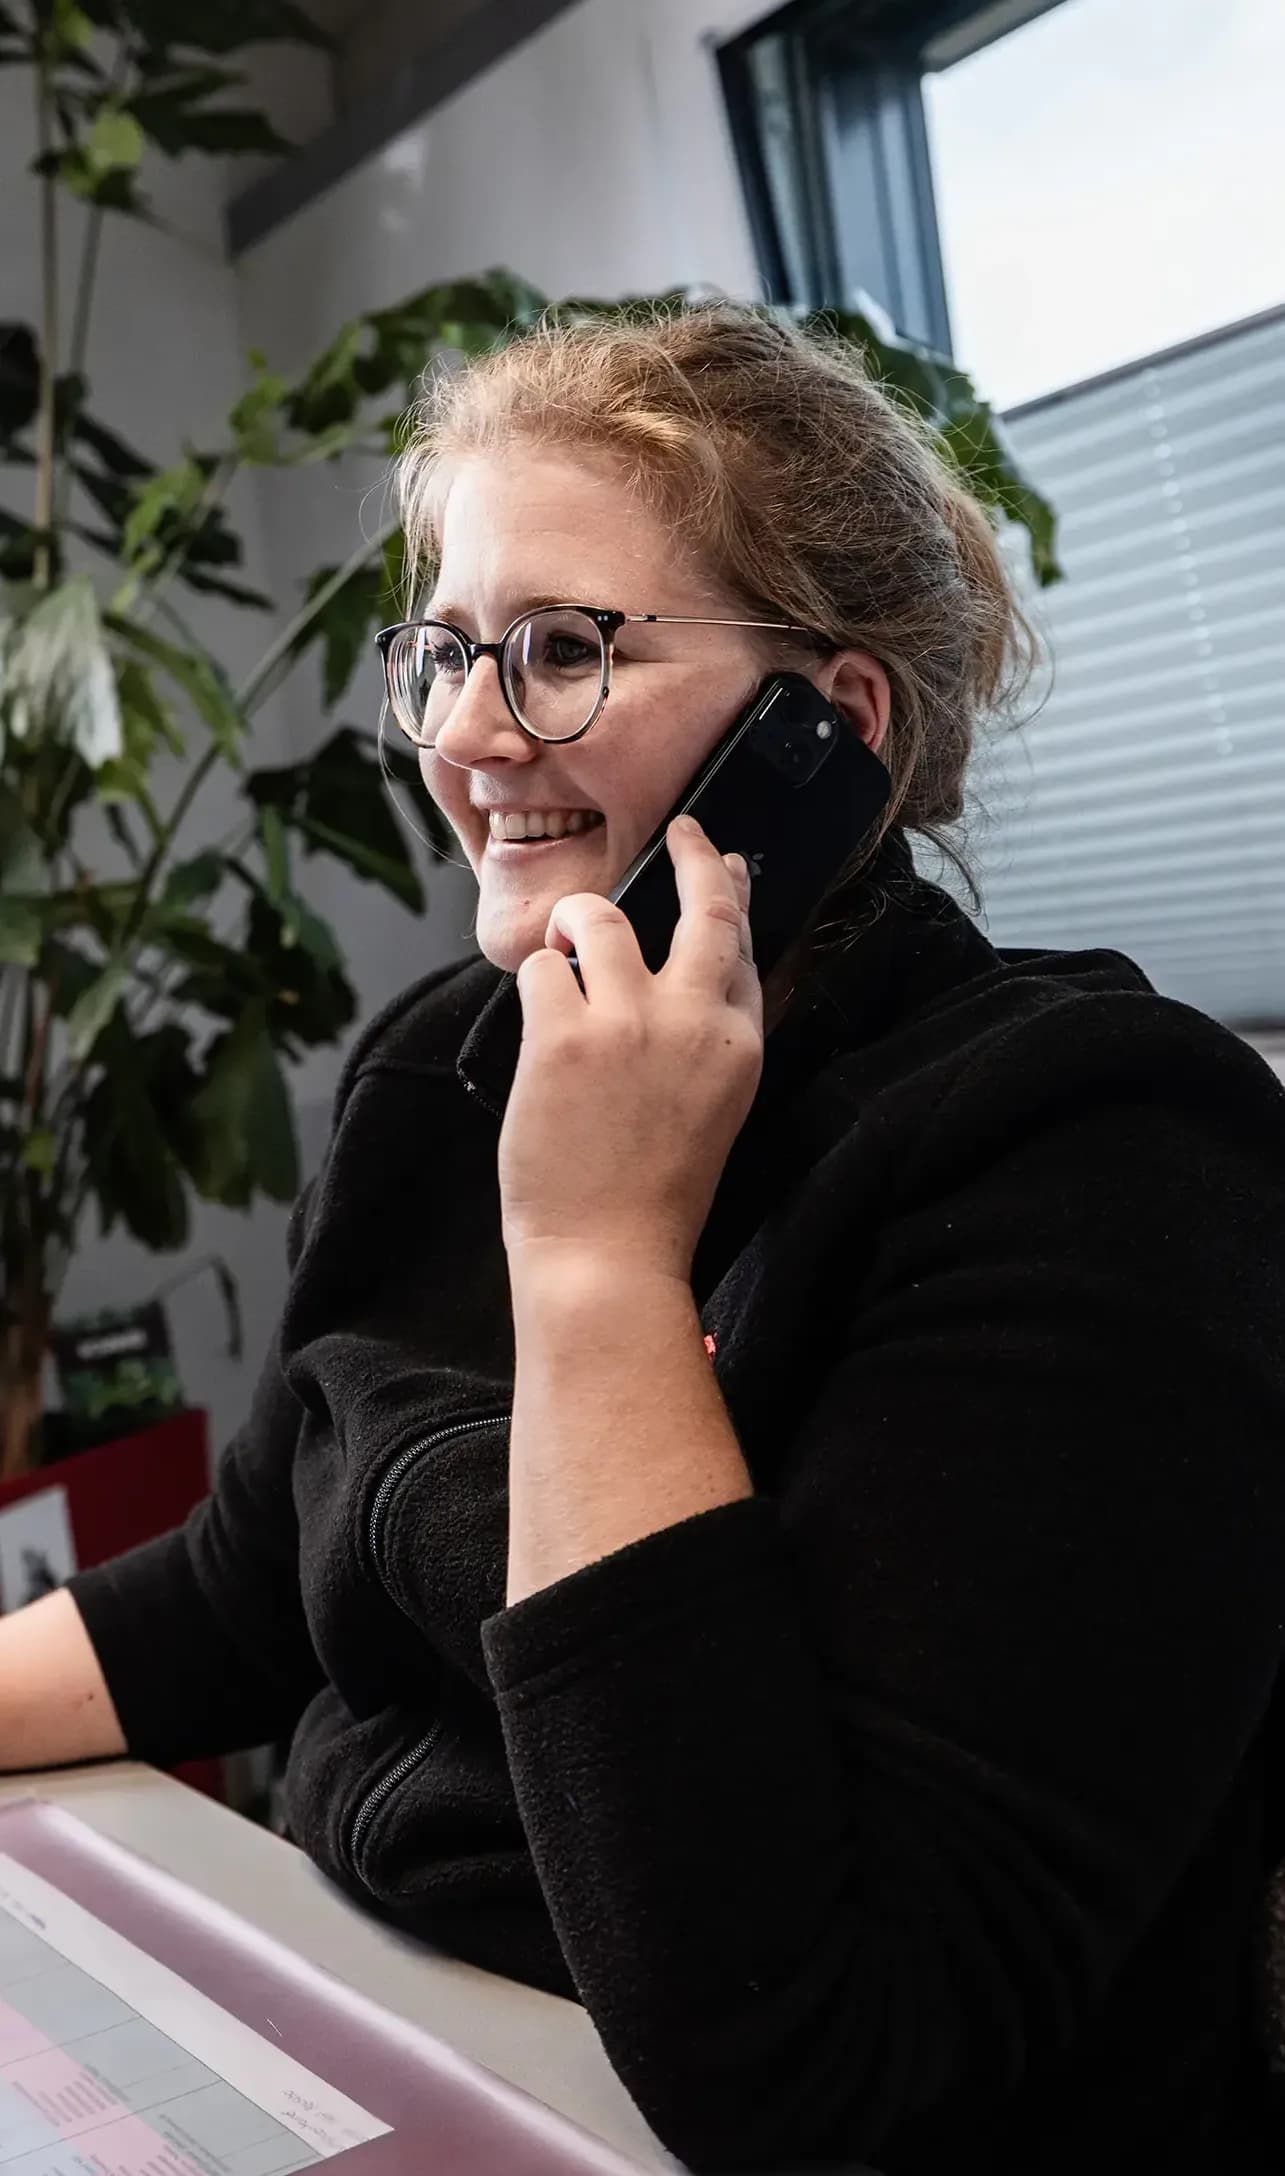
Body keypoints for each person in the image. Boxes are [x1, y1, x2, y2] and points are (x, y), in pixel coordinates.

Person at [3, 305, 1285, 2176]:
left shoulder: (1103, 1150)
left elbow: (816, 2056)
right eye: (445, 652)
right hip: (394, 2037)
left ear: (828, 730)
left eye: (562, 650)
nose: (463, 735)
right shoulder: (446, 1069)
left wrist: (599, 1262)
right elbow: (244, 1580)